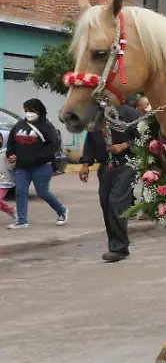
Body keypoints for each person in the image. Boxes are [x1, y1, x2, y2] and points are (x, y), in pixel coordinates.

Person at [79, 97, 140, 262]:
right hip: (105, 166)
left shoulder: (129, 113)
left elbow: (143, 137)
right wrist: (85, 163)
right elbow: (90, 140)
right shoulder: (96, 116)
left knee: (116, 202)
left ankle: (119, 248)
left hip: (127, 165)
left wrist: (125, 145)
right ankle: (116, 244)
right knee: (105, 203)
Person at [5, 98, 68, 230]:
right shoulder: (19, 125)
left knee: (43, 192)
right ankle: (22, 221)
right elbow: (11, 143)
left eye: (31, 111)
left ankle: (62, 210)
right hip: (22, 167)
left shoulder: (47, 126)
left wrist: (37, 158)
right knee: (20, 192)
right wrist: (11, 154)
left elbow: (53, 145)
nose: (28, 113)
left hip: (41, 167)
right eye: (26, 111)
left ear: (39, 111)